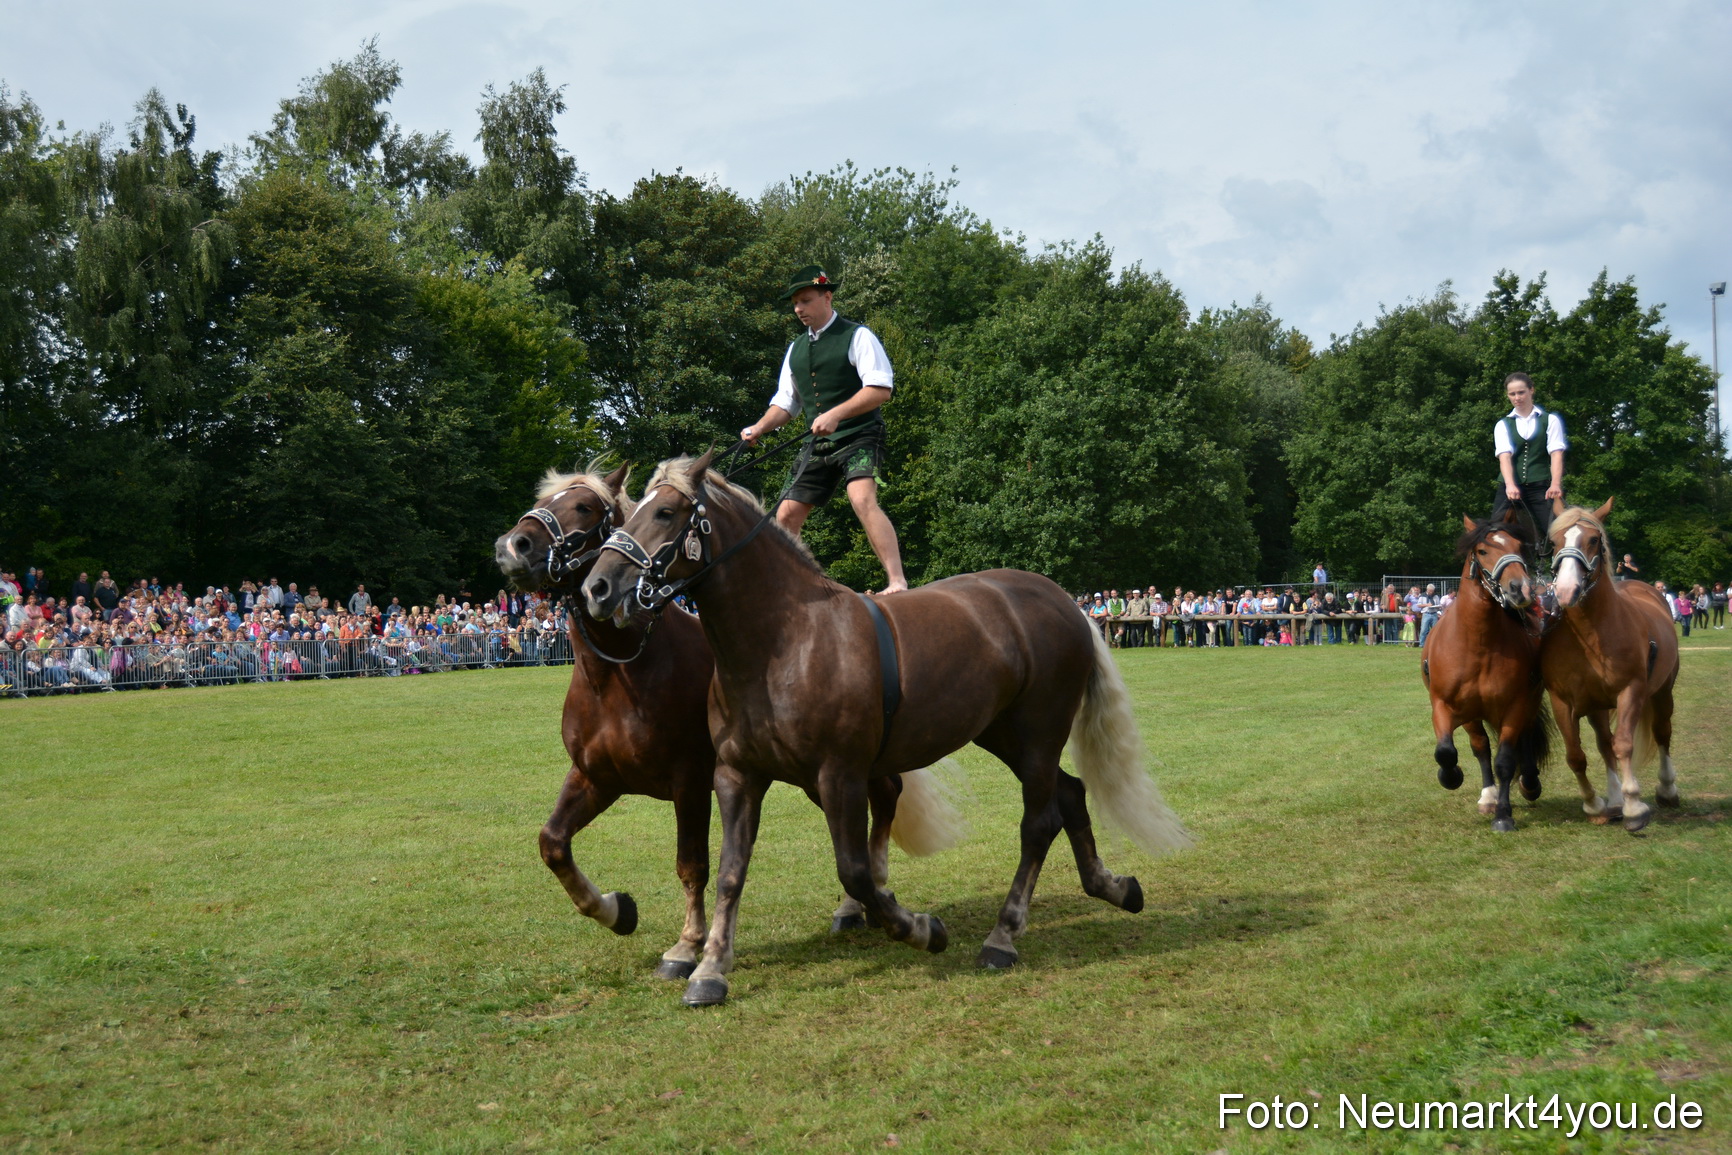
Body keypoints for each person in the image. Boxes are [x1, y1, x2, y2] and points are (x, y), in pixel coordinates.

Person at [740, 265, 908, 593]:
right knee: (785, 517)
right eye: (795, 304)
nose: (798, 309)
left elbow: (880, 389)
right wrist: (759, 427)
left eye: (805, 300)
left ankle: (897, 581)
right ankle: (794, 588)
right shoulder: (795, 350)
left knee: (861, 498)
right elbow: (786, 404)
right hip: (819, 444)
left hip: (859, 433)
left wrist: (836, 413)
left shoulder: (857, 335)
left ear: (827, 297)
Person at [1492, 371, 1567, 548]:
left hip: (1540, 486)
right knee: (1493, 532)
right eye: (1512, 394)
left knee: (1560, 532)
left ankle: (1562, 573)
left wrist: (1555, 484)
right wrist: (1510, 485)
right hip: (1509, 487)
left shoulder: (1550, 420)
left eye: (1521, 392)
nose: (1517, 397)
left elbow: (1556, 453)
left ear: (1531, 390)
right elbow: (1505, 457)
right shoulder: (1503, 424)